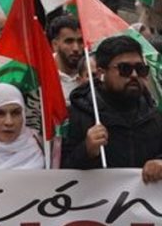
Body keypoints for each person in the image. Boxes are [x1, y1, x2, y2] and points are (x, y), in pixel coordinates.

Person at [62, 35, 162, 180]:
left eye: (140, 69)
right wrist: (86, 150)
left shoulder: (154, 113)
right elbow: (59, 174)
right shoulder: (77, 114)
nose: (134, 75)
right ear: (102, 73)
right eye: (125, 69)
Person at [49, 15, 86, 101]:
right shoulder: (42, 74)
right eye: (69, 41)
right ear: (55, 44)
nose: (76, 48)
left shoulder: (92, 73)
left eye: (80, 41)